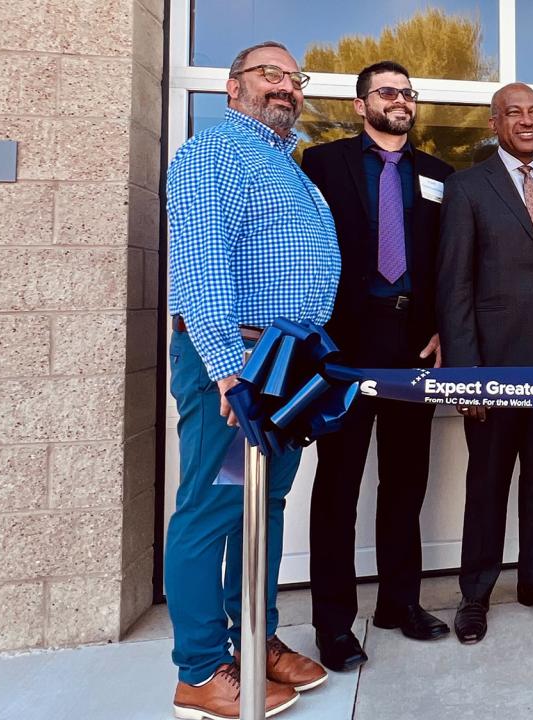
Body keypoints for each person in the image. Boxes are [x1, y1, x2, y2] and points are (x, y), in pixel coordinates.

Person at [165, 40, 335, 719]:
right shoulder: (213, 154)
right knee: (212, 508)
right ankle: (201, 671)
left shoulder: (284, 163)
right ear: (232, 88)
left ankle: (255, 639)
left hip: (283, 366)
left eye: (294, 79)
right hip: (234, 363)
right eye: (271, 74)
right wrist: (229, 374)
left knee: (262, 505)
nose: (286, 88)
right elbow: (202, 270)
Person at [301, 61, 455, 672]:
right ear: (360, 104)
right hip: (343, 342)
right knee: (337, 486)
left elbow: (449, 260)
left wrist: (445, 326)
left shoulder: (440, 175)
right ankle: (334, 625)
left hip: (413, 342)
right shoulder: (322, 164)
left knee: (406, 480)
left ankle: (399, 603)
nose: (400, 101)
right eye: (387, 92)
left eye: (407, 93)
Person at [436, 82, 533, 645]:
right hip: (494, 367)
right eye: (514, 112)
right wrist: (466, 376)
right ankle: (475, 595)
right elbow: (455, 287)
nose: (527, 121)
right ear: (493, 124)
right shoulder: (467, 187)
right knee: (489, 482)